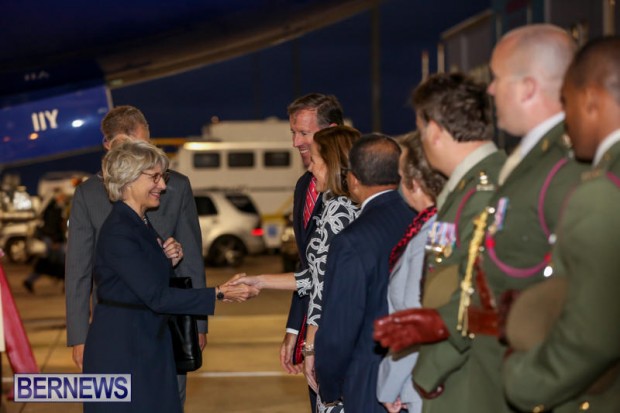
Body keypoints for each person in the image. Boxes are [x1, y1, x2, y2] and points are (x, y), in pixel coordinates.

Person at [374, 24, 587, 413]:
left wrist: (422, 378)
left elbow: (533, 296)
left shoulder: (539, 175)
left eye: (498, 78)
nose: (490, 90)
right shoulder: (515, 172)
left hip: (485, 380)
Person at [83, 140, 257, 413]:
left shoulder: (139, 221)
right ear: (128, 179)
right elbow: (157, 296)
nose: (163, 186)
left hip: (145, 346)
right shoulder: (120, 230)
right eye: (154, 177)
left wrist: (166, 259)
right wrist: (219, 293)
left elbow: (137, 278)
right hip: (124, 352)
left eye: (162, 177)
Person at [503, 35, 620, 413]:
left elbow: (593, 336)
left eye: (566, 103)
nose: (565, 119)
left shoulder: (600, 194)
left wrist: (523, 379)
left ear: (590, 100)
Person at [64, 106, 207, 406]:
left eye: (147, 144)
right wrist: (79, 336)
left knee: (168, 400)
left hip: (169, 323)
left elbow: (191, 257)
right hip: (114, 329)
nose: (142, 153)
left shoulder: (176, 186)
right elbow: (78, 270)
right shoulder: (88, 194)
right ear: (109, 145)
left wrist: (197, 325)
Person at [230, 125, 360, 408]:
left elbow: (323, 285)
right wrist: (261, 281)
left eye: (315, 161)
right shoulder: (334, 204)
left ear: (333, 163)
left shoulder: (338, 209)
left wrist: (310, 346)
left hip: (332, 333)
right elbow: (314, 276)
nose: (310, 169)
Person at [315, 134, 415, 413]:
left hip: (370, 382)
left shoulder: (352, 240)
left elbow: (339, 329)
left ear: (353, 179)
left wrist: (330, 386)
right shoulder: (419, 220)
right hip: (416, 376)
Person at [376, 132, 446, 413]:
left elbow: (415, 322)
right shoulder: (439, 226)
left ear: (415, 184)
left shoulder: (430, 235)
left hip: (419, 387)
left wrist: (388, 385)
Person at [283, 94, 344, 409]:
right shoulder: (302, 186)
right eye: (293, 133)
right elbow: (308, 262)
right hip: (312, 325)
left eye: (303, 133)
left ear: (329, 131)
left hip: (337, 328)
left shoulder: (350, 196)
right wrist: (295, 325)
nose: (296, 142)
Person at [23, 188, 68, 292]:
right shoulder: (54, 210)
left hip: (53, 240)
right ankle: (66, 284)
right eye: (62, 196)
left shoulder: (55, 208)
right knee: (56, 263)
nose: (64, 198)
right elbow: (52, 227)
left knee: (50, 263)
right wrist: (55, 241)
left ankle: (30, 280)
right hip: (53, 241)